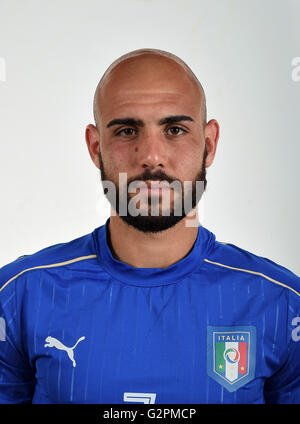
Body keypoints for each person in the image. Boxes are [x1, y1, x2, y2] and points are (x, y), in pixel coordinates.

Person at [0, 48, 299, 404]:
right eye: (127, 130)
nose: (151, 156)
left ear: (209, 143)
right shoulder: (20, 296)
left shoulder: (281, 304)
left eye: (174, 129)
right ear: (96, 148)